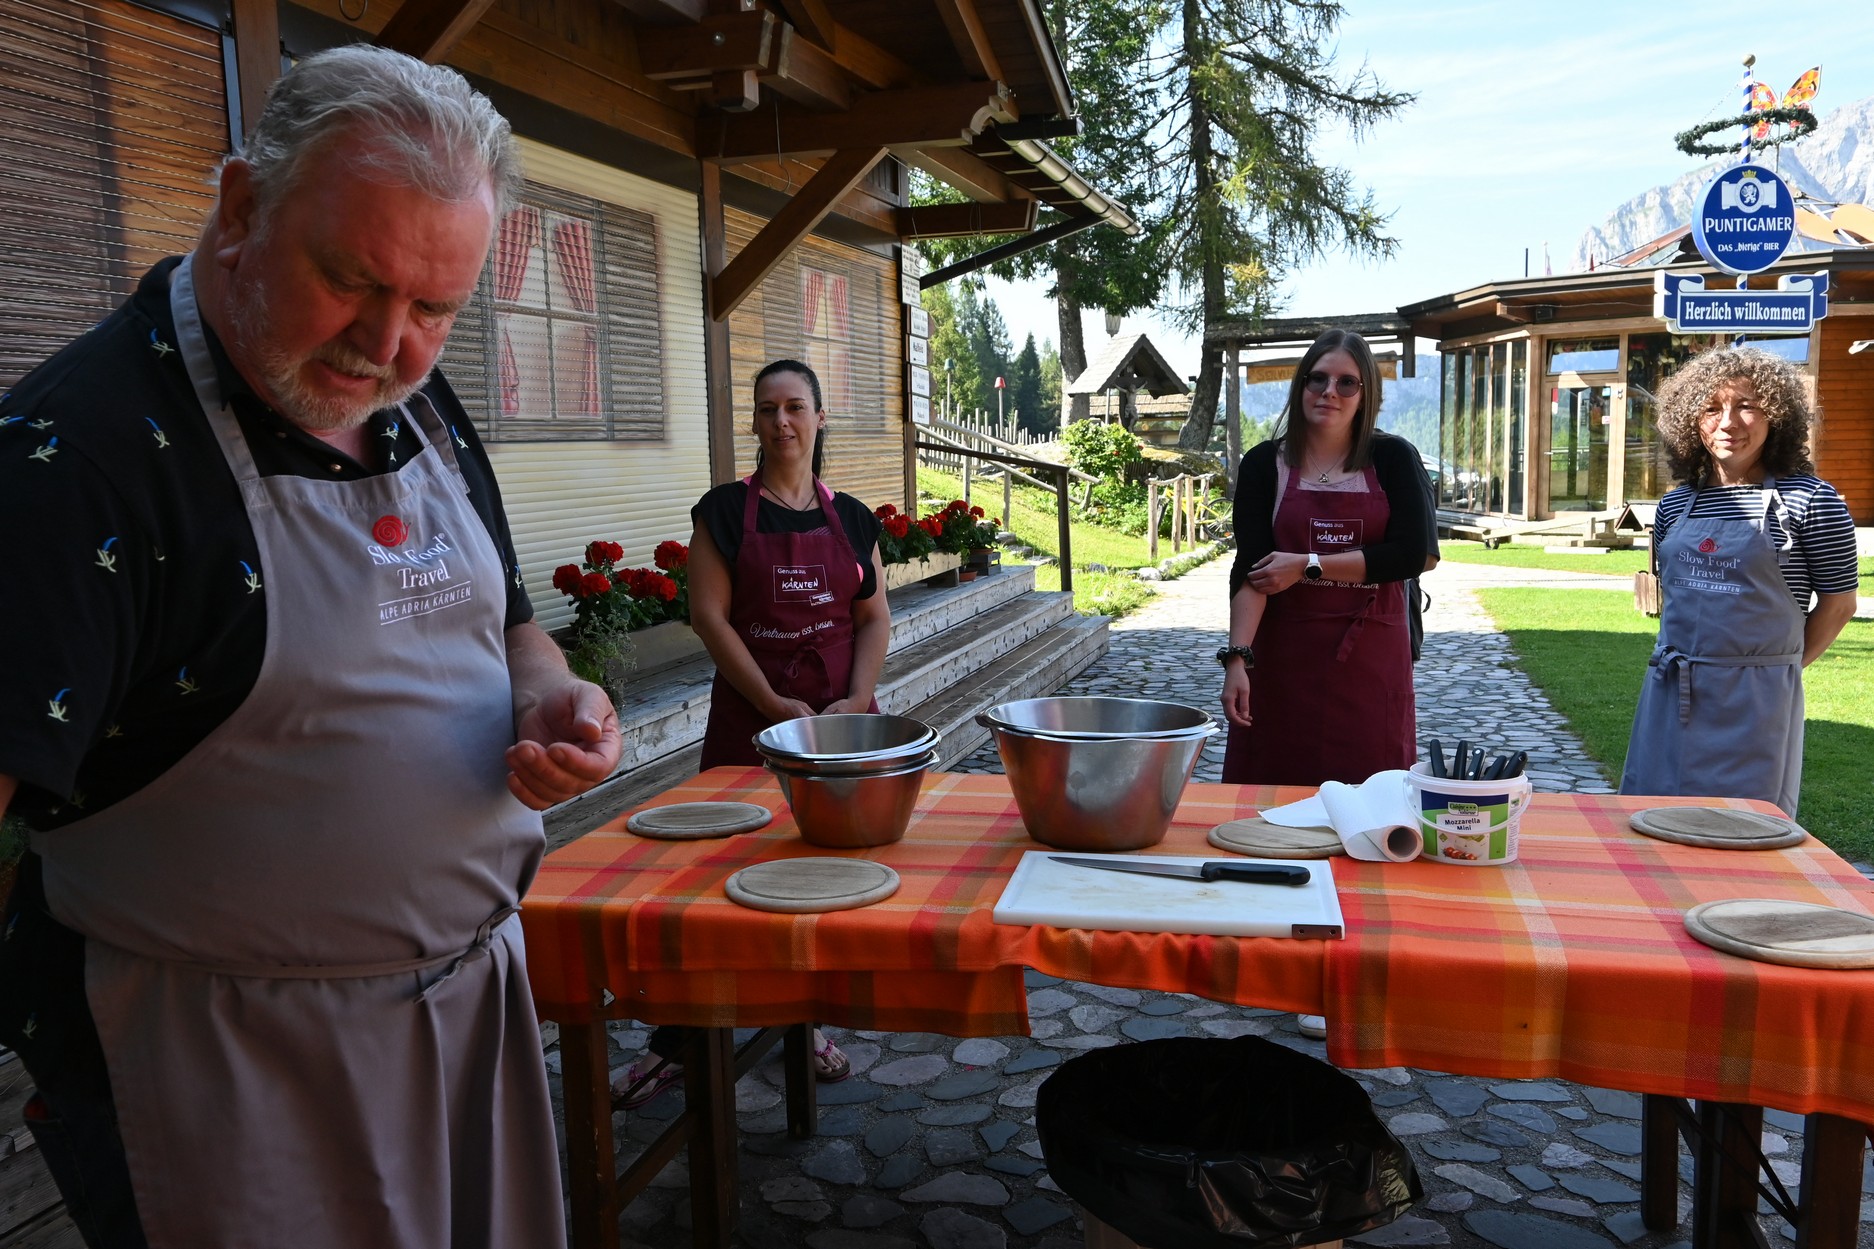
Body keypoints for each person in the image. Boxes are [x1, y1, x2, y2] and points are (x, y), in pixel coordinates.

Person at [0, 46, 622, 1248]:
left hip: (468, 1020)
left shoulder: (420, 408)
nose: (385, 347)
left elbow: (512, 631)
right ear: (241, 208)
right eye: (349, 280)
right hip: (228, 1066)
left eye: (435, 308)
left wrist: (550, 695)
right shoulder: (77, 464)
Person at [609, 359, 888, 1106]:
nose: (781, 422)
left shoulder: (853, 518)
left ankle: (803, 1023)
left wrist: (859, 696)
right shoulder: (724, 513)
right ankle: (679, 1040)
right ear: (755, 422)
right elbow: (708, 616)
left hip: (832, 737)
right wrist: (768, 701)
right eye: (767, 409)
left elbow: (873, 615)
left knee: (816, 879)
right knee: (715, 883)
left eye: (795, 407)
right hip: (749, 724)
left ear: (819, 418)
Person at [1619, 346, 1857, 817]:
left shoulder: (1812, 501)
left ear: (1777, 416)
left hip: (1756, 700)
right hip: (1670, 689)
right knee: (1652, 820)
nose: (1728, 422)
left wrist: (1776, 671)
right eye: (1711, 408)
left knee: (1743, 825)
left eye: (1747, 405)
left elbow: (1839, 604)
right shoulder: (1675, 505)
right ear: (1692, 422)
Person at [1218, 329, 1438, 787]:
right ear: (1300, 385)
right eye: (1317, 379)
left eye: (1346, 383)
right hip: (1282, 662)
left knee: (1370, 799)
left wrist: (1307, 563)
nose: (1329, 393)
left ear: (1366, 393)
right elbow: (1252, 570)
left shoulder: (1393, 459)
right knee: (1271, 795)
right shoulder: (1264, 465)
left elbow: (1415, 555)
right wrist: (1237, 659)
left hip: (1370, 664)